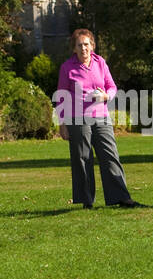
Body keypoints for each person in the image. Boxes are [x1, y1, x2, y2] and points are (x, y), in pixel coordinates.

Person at [55, 29, 140, 209]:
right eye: (80, 45)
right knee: (82, 158)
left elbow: (112, 87)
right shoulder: (67, 67)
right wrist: (62, 123)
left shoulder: (100, 62)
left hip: (101, 117)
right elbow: (61, 96)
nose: (84, 48)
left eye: (87, 44)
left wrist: (106, 96)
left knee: (110, 155)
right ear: (74, 49)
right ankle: (87, 201)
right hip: (77, 119)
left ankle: (121, 197)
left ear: (92, 46)